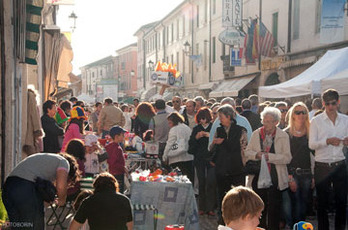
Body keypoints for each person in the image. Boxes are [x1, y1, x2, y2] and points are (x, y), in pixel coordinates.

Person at [2, 153, 80, 230]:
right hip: (25, 187)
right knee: (35, 225)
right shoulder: (63, 162)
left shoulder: (44, 162)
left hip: (9, 187)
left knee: (18, 225)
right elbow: (60, 186)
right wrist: (62, 199)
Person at [245, 107, 292, 230]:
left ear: (276, 122)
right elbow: (247, 151)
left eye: (270, 121)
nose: (267, 124)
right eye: (265, 121)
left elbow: (287, 158)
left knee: (274, 209)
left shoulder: (283, 136)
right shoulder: (256, 133)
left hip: (276, 177)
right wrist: (257, 154)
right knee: (259, 208)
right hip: (258, 175)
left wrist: (269, 157)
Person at [309, 89, 348, 230]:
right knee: (322, 204)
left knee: (341, 202)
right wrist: (327, 141)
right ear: (323, 104)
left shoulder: (345, 120)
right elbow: (311, 144)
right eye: (327, 104)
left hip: (339, 164)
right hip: (322, 165)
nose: (331, 107)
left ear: (338, 102)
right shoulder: (316, 121)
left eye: (333, 103)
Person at [209, 105, 248, 224]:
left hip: (236, 168)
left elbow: (242, 147)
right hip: (221, 168)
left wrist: (224, 142)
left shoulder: (240, 130)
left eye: (221, 116)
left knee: (238, 196)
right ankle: (223, 220)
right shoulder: (219, 130)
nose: (219, 119)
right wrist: (214, 145)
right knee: (222, 195)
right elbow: (212, 147)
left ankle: (239, 220)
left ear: (229, 116)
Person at [283, 102, 313, 225]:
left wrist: (313, 175)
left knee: (304, 204)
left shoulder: (311, 133)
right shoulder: (286, 133)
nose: (300, 115)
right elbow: (285, 157)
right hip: (292, 173)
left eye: (303, 112)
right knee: (295, 204)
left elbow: (314, 156)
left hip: (307, 173)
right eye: (297, 112)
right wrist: (289, 177)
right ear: (292, 115)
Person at [69, 172, 133, 230]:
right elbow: (130, 226)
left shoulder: (88, 201)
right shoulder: (125, 200)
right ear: (114, 186)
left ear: (95, 186)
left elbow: (73, 227)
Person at [188, 107, 216, 216]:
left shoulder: (213, 128)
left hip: (211, 159)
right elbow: (190, 147)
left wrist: (210, 137)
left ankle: (210, 208)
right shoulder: (196, 129)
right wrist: (196, 137)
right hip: (199, 159)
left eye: (204, 119)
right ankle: (202, 207)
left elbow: (216, 144)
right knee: (201, 182)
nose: (202, 121)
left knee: (210, 183)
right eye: (200, 119)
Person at [162, 112, 194, 183]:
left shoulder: (174, 130)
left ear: (174, 121)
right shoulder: (187, 128)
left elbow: (169, 144)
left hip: (176, 159)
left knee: (178, 181)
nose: (169, 125)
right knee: (188, 180)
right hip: (189, 157)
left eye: (170, 123)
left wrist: (165, 156)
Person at [105, 125, 127, 193]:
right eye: (122, 135)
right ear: (116, 136)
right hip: (118, 174)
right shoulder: (117, 148)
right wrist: (123, 168)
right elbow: (113, 163)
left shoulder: (108, 146)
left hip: (110, 172)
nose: (124, 137)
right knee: (118, 192)